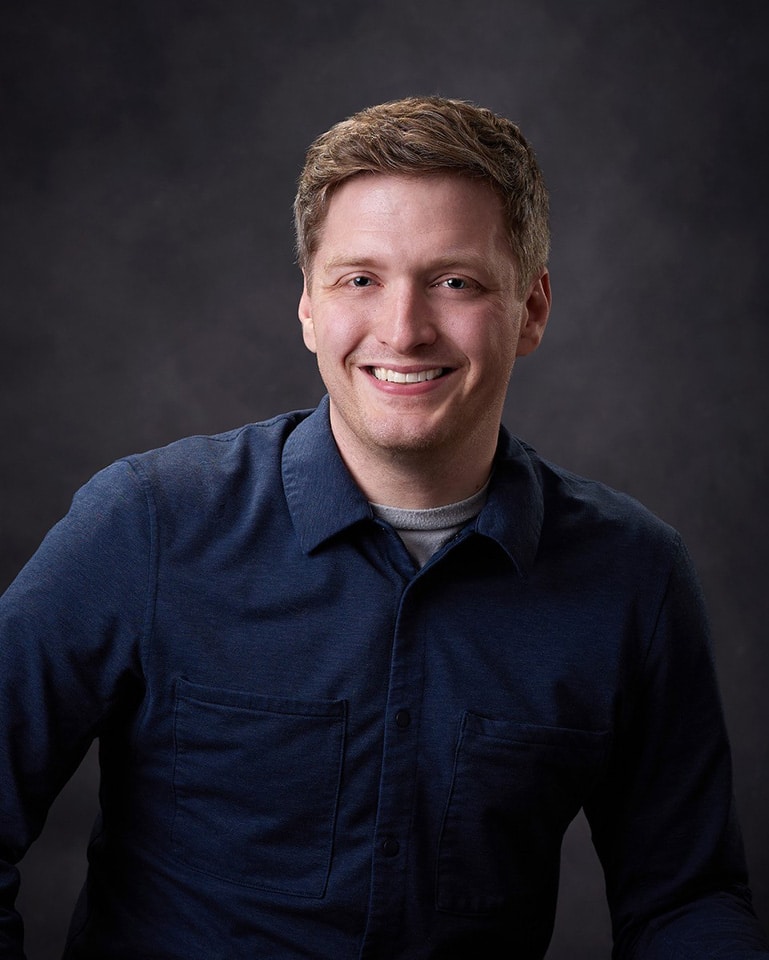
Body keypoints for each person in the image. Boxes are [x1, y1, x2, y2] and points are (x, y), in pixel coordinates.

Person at [0, 96, 767, 960]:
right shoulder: (144, 524)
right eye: (359, 279)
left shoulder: (634, 577)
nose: (402, 331)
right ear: (308, 307)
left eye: (455, 281)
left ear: (531, 310)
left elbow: (685, 902)